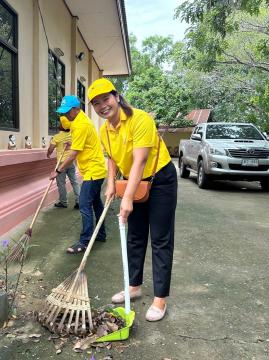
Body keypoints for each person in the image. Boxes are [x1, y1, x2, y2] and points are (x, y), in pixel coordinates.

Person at [88, 78, 177, 322]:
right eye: (96, 103)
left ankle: (160, 299)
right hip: (133, 182)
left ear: (116, 97)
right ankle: (134, 286)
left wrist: (126, 199)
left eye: (106, 99)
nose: (102, 106)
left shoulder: (140, 119)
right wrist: (110, 183)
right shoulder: (104, 129)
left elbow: (139, 160)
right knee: (135, 236)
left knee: (160, 239)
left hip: (160, 180)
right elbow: (112, 158)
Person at [50, 95, 107, 254]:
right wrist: (72, 142)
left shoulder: (81, 124)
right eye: (64, 112)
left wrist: (58, 170)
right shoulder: (79, 121)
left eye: (68, 111)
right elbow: (77, 140)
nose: (66, 115)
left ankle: (85, 241)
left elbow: (74, 153)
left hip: (93, 171)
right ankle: (101, 234)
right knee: (95, 203)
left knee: (84, 204)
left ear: (77, 109)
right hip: (95, 169)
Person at [47, 119, 80, 209]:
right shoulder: (72, 135)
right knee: (74, 182)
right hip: (71, 161)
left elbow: (51, 148)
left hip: (61, 164)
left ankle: (64, 202)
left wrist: (48, 154)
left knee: (61, 183)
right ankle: (79, 201)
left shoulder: (57, 137)